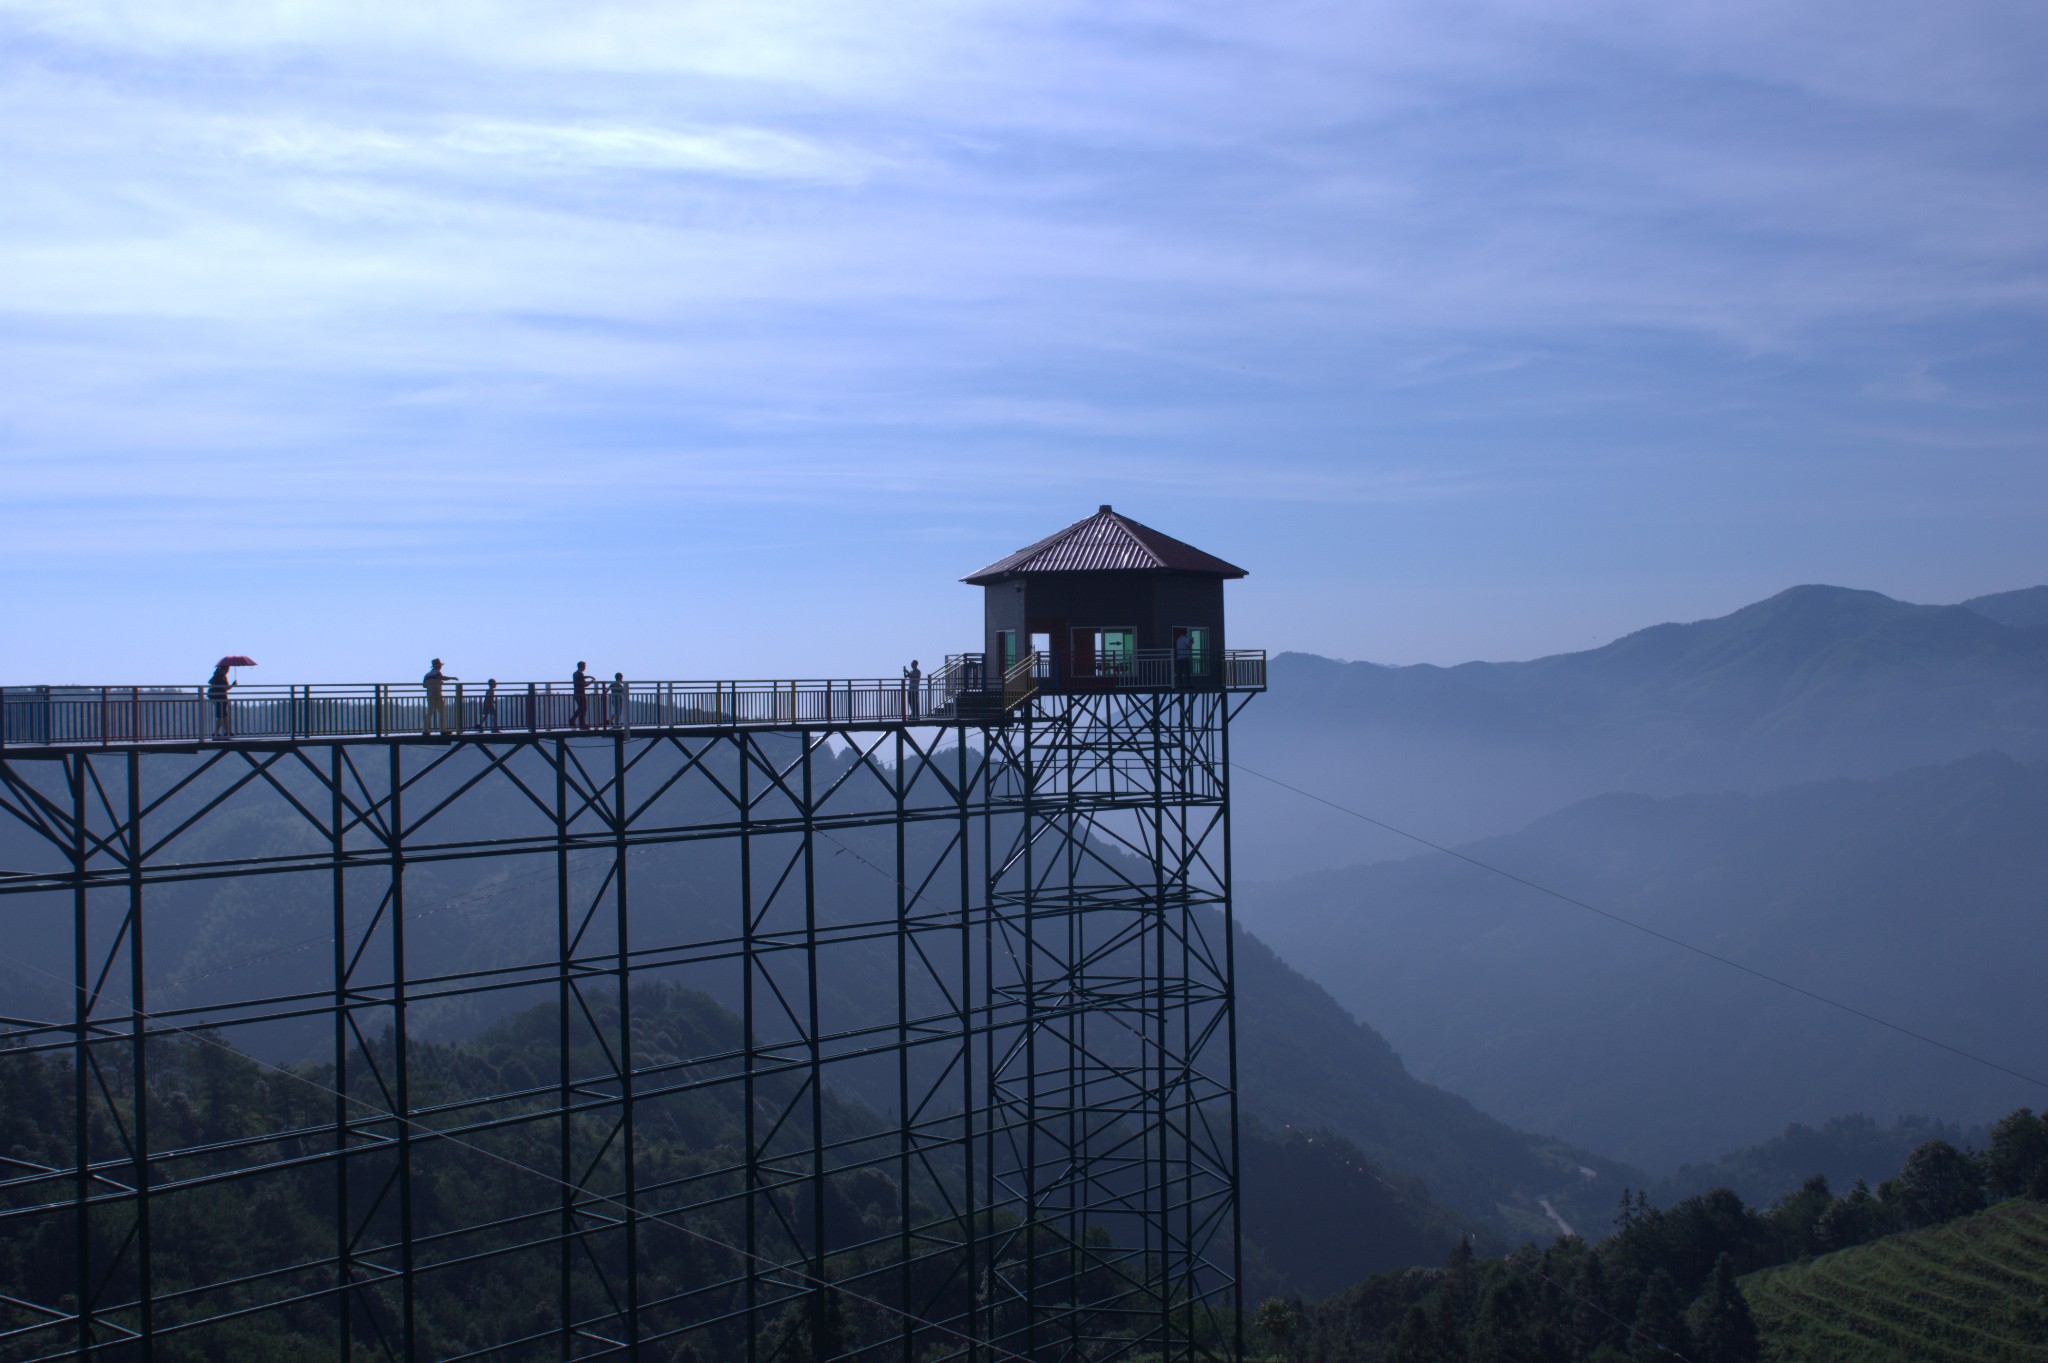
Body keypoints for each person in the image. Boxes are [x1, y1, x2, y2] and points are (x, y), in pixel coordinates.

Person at [423, 659, 455, 735]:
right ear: (438, 666)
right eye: (440, 665)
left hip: (430, 695)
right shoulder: (437, 673)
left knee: (429, 713)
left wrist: (431, 684)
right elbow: (443, 678)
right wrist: (452, 678)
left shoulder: (427, 675)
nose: (441, 667)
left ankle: (425, 730)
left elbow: (424, 685)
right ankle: (443, 730)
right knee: (442, 712)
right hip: (437, 695)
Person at [206, 662, 234, 739]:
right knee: (221, 715)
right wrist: (233, 685)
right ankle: (217, 732)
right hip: (221, 697)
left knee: (223, 715)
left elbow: (211, 683)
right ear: (222, 669)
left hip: (216, 697)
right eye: (227, 669)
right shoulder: (222, 677)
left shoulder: (215, 676)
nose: (228, 671)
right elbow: (226, 688)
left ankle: (227, 731)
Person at [572, 662, 590, 729]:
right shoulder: (579, 674)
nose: (585, 668)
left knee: (581, 708)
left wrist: (588, 677)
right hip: (580, 694)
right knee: (583, 708)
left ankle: (573, 720)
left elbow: (581, 678)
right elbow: (584, 684)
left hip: (577, 693)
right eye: (584, 666)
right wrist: (591, 682)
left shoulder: (575, 674)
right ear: (581, 666)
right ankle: (582, 723)